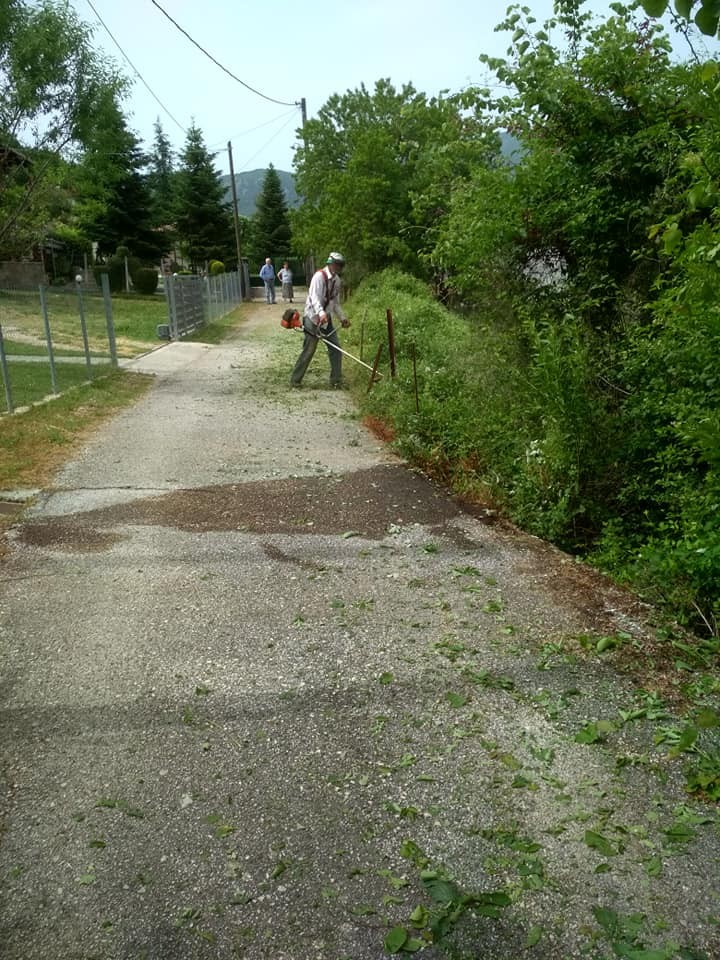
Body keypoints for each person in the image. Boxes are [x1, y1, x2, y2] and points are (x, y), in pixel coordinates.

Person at [290, 252, 351, 389]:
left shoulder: (337, 281)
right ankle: (295, 380)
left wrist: (343, 318)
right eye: (338, 265)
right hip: (312, 318)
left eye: (341, 265)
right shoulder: (318, 277)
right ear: (331, 264)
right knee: (309, 350)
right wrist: (321, 313)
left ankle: (336, 381)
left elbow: (335, 303)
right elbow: (314, 298)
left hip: (326, 321)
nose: (340, 267)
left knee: (336, 349)